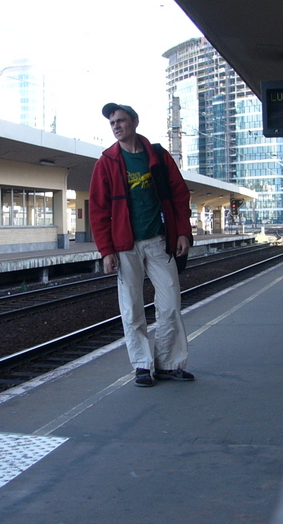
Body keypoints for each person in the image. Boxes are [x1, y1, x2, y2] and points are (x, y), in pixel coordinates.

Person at [89, 102, 195, 387]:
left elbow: (179, 195)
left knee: (171, 303)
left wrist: (183, 232)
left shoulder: (158, 156)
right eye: (112, 123)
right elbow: (98, 210)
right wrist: (106, 251)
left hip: (160, 241)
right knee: (132, 308)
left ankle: (168, 363)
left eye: (121, 121)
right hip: (125, 247)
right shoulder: (106, 162)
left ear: (134, 122)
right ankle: (142, 365)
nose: (116, 126)